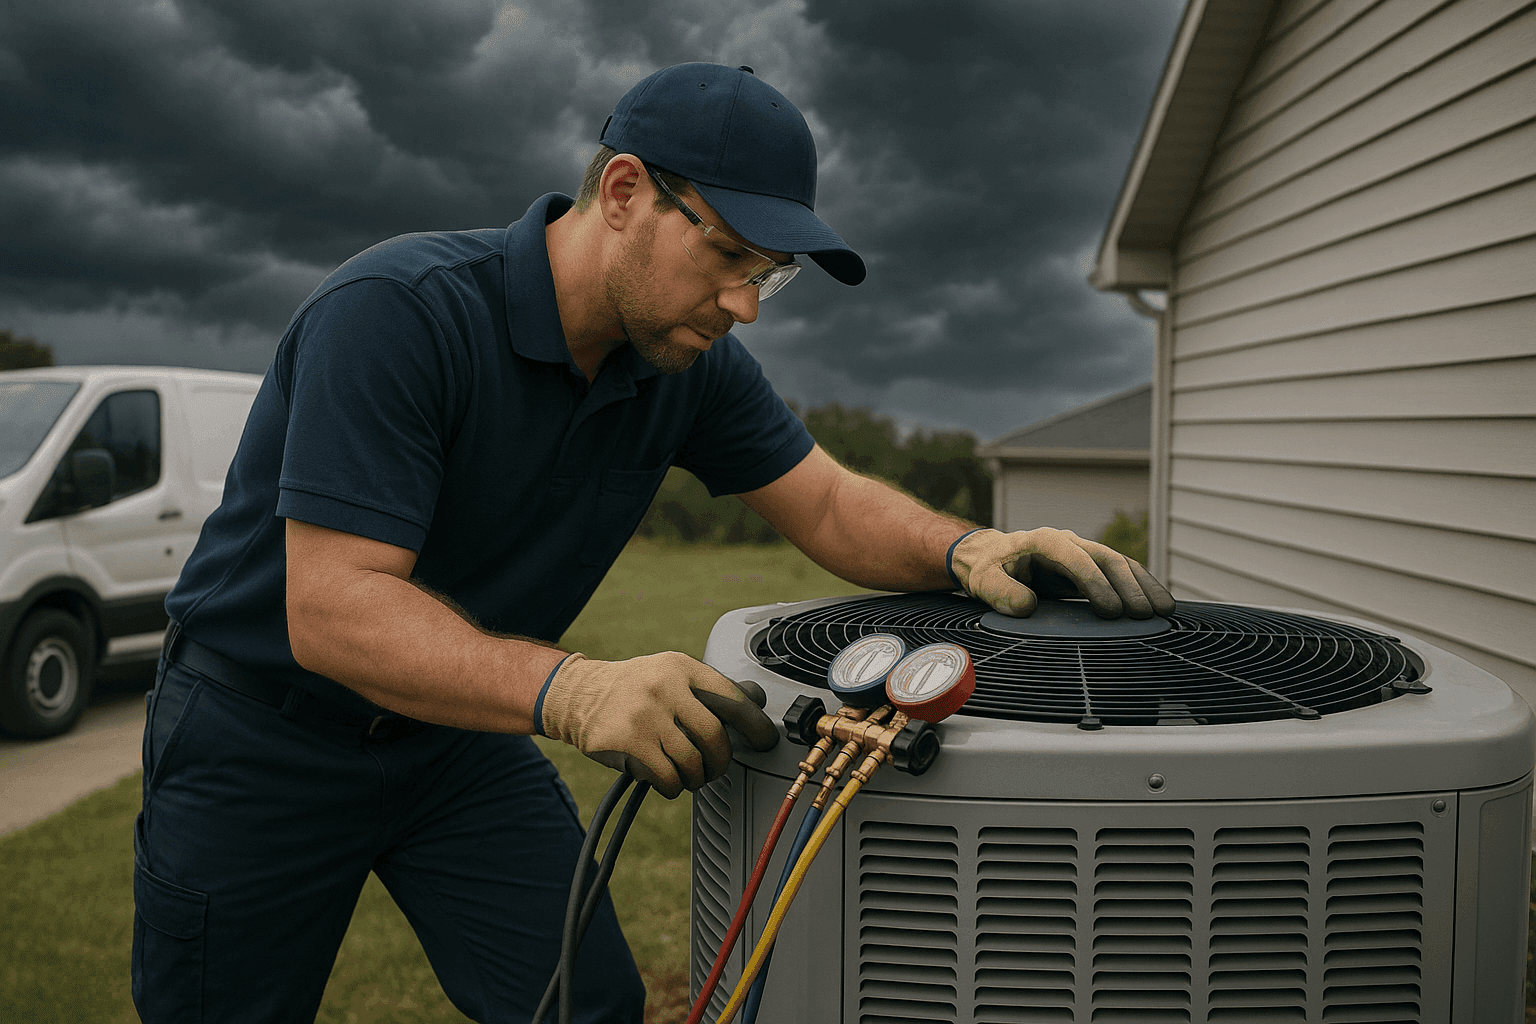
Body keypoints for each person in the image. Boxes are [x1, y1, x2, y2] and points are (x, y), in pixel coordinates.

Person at [132, 62, 1174, 1023]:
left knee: (589, 1005)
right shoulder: (399, 315)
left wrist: (969, 549)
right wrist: (579, 692)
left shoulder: (685, 363)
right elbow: (333, 610)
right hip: (262, 739)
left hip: (452, 743)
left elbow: (825, 502)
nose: (746, 306)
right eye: (728, 255)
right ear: (623, 192)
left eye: (771, 273)